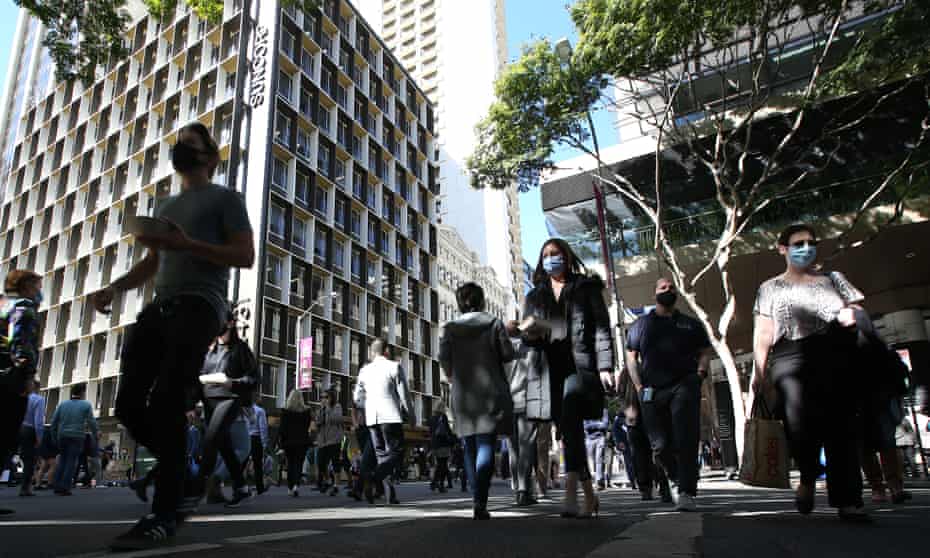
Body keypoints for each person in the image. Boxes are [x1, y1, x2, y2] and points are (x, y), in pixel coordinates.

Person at [92, 122, 254, 549]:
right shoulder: (165, 204)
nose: (183, 150)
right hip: (159, 306)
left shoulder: (226, 199)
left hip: (201, 305)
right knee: (127, 404)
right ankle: (182, 473)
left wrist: (188, 246)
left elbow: (245, 255)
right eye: (180, 145)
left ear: (211, 157)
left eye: (193, 145)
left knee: (166, 401)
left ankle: (162, 516)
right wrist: (115, 287)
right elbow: (153, 261)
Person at [751, 223, 869, 522]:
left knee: (840, 427)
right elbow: (764, 331)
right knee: (800, 426)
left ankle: (848, 500)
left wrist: (850, 315)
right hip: (789, 356)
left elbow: (858, 310)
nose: (806, 248)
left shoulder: (833, 279)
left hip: (833, 354)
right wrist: (759, 372)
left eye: (811, 242)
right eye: (798, 243)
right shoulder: (769, 287)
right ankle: (806, 476)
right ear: (782, 249)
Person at [522, 238, 614, 519]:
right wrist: (525, 329)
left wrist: (606, 365)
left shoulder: (586, 288)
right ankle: (589, 494)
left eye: (556, 253)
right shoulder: (534, 295)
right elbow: (529, 337)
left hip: (579, 367)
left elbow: (601, 327)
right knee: (568, 432)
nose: (551, 259)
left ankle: (572, 490)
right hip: (548, 371)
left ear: (567, 255)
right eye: (546, 255)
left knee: (571, 421)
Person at [626, 277, 711, 512]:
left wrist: (700, 374)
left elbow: (704, 351)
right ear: (655, 293)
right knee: (659, 445)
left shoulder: (690, 325)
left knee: (685, 438)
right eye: (663, 287)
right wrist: (639, 386)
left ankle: (686, 491)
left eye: (672, 288)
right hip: (651, 391)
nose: (668, 290)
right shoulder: (641, 325)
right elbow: (631, 357)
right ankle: (675, 479)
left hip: (684, 385)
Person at [439, 282, 515, 520]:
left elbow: (443, 360)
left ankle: (476, 497)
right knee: (485, 445)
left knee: (469, 448)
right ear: (481, 300)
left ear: (460, 303)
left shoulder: (450, 328)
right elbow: (508, 354)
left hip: (462, 395)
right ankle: (481, 500)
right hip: (490, 391)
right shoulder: (493, 323)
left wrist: (452, 374)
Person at [197, 309, 259, 508]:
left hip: (230, 398)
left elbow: (254, 379)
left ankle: (194, 489)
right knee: (225, 448)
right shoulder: (210, 350)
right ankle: (240, 488)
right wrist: (190, 405)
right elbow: (197, 377)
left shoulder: (241, 350)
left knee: (212, 438)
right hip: (208, 401)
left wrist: (232, 383)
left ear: (230, 323)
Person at [0, 271, 43, 514]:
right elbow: (21, 343)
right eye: (38, 286)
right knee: (4, 438)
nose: (40, 291)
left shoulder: (3, 306)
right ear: (27, 286)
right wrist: (27, 375)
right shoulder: (23, 309)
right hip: (10, 381)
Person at [353, 338, 414, 506]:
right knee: (397, 453)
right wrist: (411, 415)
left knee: (382, 457)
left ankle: (389, 494)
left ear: (372, 352)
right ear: (386, 351)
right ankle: (373, 478)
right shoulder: (394, 366)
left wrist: (367, 407)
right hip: (390, 416)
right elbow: (404, 395)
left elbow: (357, 398)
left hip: (372, 418)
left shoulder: (365, 371)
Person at [506, 331, 543, 506]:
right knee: (526, 446)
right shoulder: (531, 350)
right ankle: (523, 490)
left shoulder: (502, 349)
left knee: (513, 448)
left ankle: (517, 489)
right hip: (527, 401)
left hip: (507, 403)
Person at [49, 383, 98, 495]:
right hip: (76, 436)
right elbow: (91, 421)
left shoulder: (62, 405)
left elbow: (54, 422)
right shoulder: (86, 405)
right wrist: (96, 433)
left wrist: (54, 437)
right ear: (82, 393)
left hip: (62, 436)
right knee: (71, 461)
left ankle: (56, 485)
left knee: (62, 460)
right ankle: (65, 487)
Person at [278, 390, 313, 496]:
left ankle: (290, 487)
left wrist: (281, 442)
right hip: (302, 441)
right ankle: (296, 485)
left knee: (290, 464)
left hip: (289, 442)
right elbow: (307, 426)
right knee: (299, 463)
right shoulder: (306, 411)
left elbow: (282, 429)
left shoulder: (285, 411)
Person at [18, 378, 45, 496]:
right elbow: (38, 421)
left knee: (13, 457)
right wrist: (39, 437)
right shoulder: (39, 399)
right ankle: (25, 488)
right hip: (30, 429)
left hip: (18, 427)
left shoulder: (20, 397)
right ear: (38, 388)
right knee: (30, 460)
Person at [316, 387, 344, 495]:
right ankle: (327, 480)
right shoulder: (320, 409)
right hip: (323, 440)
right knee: (321, 463)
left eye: (326, 397)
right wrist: (320, 411)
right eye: (322, 397)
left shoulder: (337, 407)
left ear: (331, 398)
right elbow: (317, 422)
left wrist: (327, 408)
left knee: (335, 462)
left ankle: (336, 485)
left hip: (334, 439)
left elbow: (336, 419)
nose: (323, 399)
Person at [427, 404, 454, 493]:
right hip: (443, 444)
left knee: (439, 465)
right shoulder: (443, 416)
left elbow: (430, 433)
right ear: (442, 408)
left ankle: (434, 483)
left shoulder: (431, 418)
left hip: (435, 445)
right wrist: (453, 440)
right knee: (443, 465)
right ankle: (440, 485)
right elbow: (448, 431)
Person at [245, 401, 269, 495]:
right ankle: (260, 487)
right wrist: (264, 443)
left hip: (245, 437)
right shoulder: (260, 411)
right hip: (256, 439)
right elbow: (263, 427)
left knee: (244, 464)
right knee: (257, 464)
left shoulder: (243, 410)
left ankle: (242, 487)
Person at [584, 408, 610, 491]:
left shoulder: (603, 410)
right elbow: (585, 426)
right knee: (591, 461)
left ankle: (599, 481)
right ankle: (593, 480)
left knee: (599, 459)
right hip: (589, 439)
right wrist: (599, 424)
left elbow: (605, 425)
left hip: (600, 438)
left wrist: (593, 425)